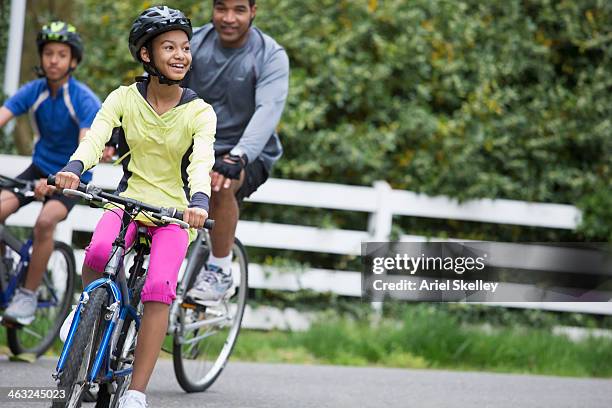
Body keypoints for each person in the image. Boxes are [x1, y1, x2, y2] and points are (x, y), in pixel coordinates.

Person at [54, 6, 215, 408]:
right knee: (95, 250)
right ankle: (85, 308)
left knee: (160, 287)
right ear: (147, 54)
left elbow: (201, 164)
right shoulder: (124, 97)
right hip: (128, 201)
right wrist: (75, 167)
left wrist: (199, 202)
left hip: (175, 214)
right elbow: (95, 139)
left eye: (185, 47)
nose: (181, 55)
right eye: (169, 47)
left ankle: (137, 391)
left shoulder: (199, 112)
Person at [183, 0, 289, 303]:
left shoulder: (270, 55)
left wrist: (239, 155)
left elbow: (267, 111)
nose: (229, 18)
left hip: (247, 151)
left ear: (253, 11)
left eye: (239, 10)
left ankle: (219, 270)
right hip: (197, 145)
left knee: (219, 183)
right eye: (221, 8)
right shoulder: (192, 44)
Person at [0, 21, 104, 326]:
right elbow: (4, 114)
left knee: (45, 222)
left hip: (73, 175)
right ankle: (8, 264)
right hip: (39, 168)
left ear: (73, 61)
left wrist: (66, 177)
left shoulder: (83, 99)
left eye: (61, 54)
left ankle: (28, 295)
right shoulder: (34, 91)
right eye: (48, 53)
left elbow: (88, 144)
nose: (53, 60)